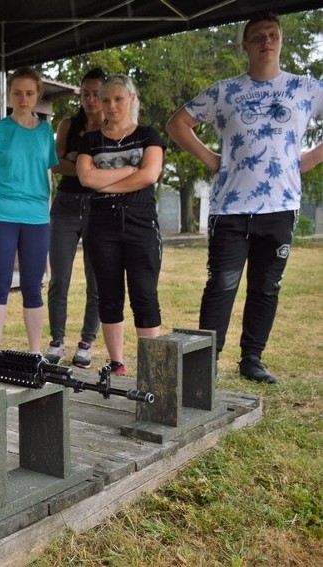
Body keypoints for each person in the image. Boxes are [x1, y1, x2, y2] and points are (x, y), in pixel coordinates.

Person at [166, 12, 322, 384]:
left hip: (281, 206)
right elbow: (177, 123)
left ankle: (252, 358)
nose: (266, 41)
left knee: (266, 286)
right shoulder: (226, 91)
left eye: (272, 35)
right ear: (246, 45)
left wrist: (310, 159)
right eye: (258, 36)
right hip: (231, 206)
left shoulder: (307, 88)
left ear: (281, 41)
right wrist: (211, 159)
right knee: (221, 284)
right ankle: (206, 362)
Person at [76, 74, 165, 376]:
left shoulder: (148, 135)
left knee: (144, 294)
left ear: (132, 99)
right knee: (109, 295)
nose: (111, 105)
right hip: (100, 226)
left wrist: (107, 181)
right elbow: (86, 178)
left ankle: (152, 368)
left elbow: (149, 175)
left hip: (140, 222)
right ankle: (117, 363)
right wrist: (128, 170)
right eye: (106, 99)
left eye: (118, 98)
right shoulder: (90, 140)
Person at [0, 67, 58, 353]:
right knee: (0, 284)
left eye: (30, 93)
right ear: (9, 94)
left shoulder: (47, 131)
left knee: (33, 287)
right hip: (1, 215)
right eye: (18, 93)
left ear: (38, 95)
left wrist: (44, 209)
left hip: (36, 218)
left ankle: (35, 352)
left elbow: (46, 174)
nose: (24, 98)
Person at [46, 68, 105, 368]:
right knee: (60, 278)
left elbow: (112, 166)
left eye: (96, 93)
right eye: (85, 93)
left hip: (99, 207)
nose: (91, 99)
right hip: (66, 205)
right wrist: (91, 168)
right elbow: (56, 164)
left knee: (97, 280)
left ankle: (86, 342)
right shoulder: (68, 123)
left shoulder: (112, 125)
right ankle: (56, 340)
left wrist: (77, 161)